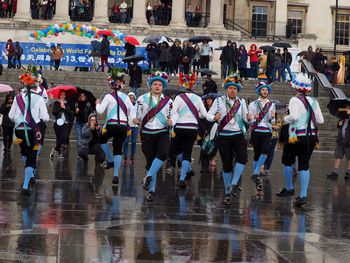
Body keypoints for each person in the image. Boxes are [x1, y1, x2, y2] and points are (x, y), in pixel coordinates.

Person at [276, 73, 324, 206]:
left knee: (287, 161)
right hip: (312, 137)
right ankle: (303, 195)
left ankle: (289, 188)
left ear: (296, 87)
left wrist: (285, 119)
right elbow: (321, 120)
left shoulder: (294, 100)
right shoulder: (314, 100)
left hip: (296, 136)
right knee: (304, 164)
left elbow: (294, 116)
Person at [206, 75, 249, 205]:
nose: (232, 90)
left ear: (237, 90)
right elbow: (208, 115)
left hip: (238, 135)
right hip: (224, 136)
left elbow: (246, 119)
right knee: (227, 164)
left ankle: (234, 183)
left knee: (243, 157)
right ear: (226, 89)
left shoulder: (241, 102)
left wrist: (251, 117)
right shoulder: (218, 101)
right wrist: (214, 117)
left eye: (235, 89)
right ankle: (227, 192)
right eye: (230, 88)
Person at [133, 72, 173, 202]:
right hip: (147, 134)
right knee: (150, 163)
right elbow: (136, 113)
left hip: (162, 132)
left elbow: (173, 115)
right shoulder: (142, 99)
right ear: (151, 85)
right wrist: (134, 119)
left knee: (163, 153)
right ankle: (151, 191)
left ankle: (148, 178)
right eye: (155, 84)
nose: (157, 86)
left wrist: (172, 121)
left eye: (160, 84)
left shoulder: (168, 101)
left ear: (163, 86)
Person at [9, 72, 49, 196]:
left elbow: (11, 116)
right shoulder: (39, 98)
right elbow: (45, 117)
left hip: (19, 131)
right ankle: (25, 186)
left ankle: (30, 173)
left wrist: (19, 118)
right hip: (33, 131)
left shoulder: (18, 98)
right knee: (31, 157)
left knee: (25, 152)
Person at [96, 69, 134, 185]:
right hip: (122, 126)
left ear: (111, 85)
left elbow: (100, 111)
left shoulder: (108, 96)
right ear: (121, 84)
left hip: (111, 125)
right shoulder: (127, 97)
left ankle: (110, 160)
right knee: (118, 149)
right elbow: (131, 113)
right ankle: (116, 175)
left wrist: (97, 103)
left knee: (102, 140)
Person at [172, 72, 207, 188]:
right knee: (187, 152)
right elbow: (204, 115)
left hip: (179, 127)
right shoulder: (197, 98)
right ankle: (182, 178)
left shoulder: (178, 97)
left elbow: (173, 111)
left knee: (175, 151)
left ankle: (189, 169)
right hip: (192, 128)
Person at [248, 82, 275, 192]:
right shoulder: (253, 104)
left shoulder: (271, 104)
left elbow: (272, 121)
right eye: (263, 90)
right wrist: (253, 117)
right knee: (256, 154)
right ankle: (256, 177)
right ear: (259, 91)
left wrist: (273, 117)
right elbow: (250, 121)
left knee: (265, 150)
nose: (265, 92)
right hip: (256, 130)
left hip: (267, 131)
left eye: (267, 90)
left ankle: (255, 173)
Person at [50, 91, 74, 158]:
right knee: (58, 137)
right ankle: (59, 153)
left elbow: (70, 113)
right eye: (61, 95)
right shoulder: (56, 103)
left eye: (64, 95)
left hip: (65, 122)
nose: (63, 96)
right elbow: (54, 112)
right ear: (59, 95)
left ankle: (55, 149)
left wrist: (65, 108)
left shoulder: (67, 104)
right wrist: (60, 107)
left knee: (64, 136)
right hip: (57, 122)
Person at [327, 111, 350, 180]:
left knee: (349, 157)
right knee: (338, 155)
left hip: (349, 141)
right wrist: (339, 124)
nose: (347, 109)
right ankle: (335, 172)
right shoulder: (343, 116)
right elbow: (338, 126)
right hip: (341, 139)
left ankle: (348, 173)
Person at [123, 92, 138, 165]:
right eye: (130, 98)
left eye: (132, 98)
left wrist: (138, 120)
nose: (131, 99)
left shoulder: (137, 105)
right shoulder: (125, 105)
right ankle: (125, 157)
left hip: (135, 126)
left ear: (134, 98)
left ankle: (132, 157)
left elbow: (140, 115)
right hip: (127, 125)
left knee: (134, 142)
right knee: (126, 141)